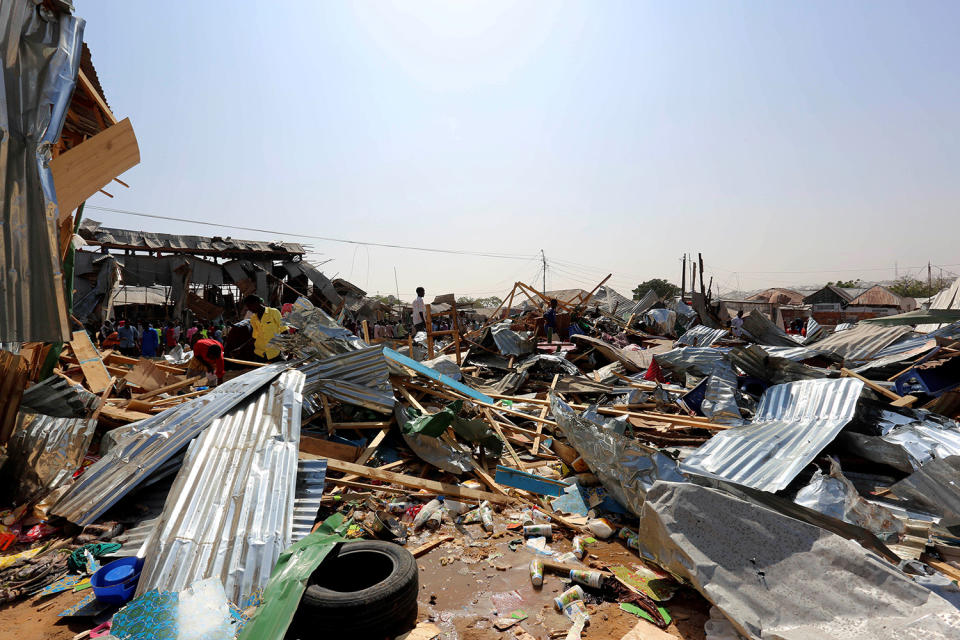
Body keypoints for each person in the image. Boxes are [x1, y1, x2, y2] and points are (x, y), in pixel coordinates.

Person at [243, 294, 286, 361]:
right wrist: (241, 348)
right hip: (260, 353)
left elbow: (284, 330)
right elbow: (255, 337)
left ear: (257, 303)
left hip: (275, 352)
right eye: (248, 307)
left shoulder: (274, 312)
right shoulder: (253, 319)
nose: (249, 309)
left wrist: (291, 351)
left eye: (250, 306)